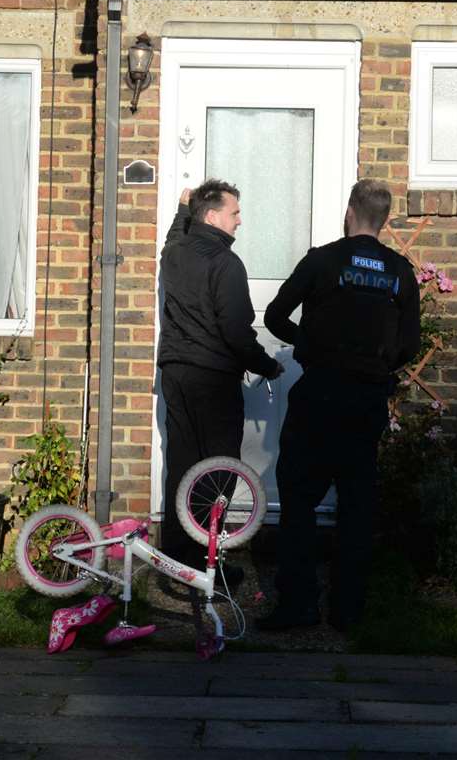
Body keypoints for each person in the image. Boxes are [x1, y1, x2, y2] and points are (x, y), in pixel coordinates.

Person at [257, 178, 420, 631]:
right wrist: (377, 366)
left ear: (350, 211)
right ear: (384, 220)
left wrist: (308, 344)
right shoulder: (400, 272)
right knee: (356, 505)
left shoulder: (322, 260)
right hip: (366, 401)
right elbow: (410, 344)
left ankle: (298, 605)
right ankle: (348, 611)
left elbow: (273, 316)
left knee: (297, 500)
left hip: (319, 395)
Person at [157, 179, 283, 574]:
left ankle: (177, 555)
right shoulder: (226, 263)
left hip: (176, 373)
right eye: (234, 213)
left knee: (181, 463)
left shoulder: (176, 253)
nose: (240, 221)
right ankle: (205, 561)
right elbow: (235, 331)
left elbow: (172, 239)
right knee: (218, 470)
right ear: (212, 216)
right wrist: (268, 365)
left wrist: (181, 210)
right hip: (212, 378)